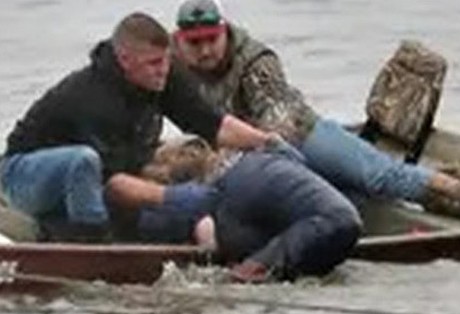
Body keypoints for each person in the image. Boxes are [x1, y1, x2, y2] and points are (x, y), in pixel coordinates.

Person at [170, 0, 460, 224]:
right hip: (253, 160)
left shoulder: (255, 61)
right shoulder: (170, 68)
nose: (205, 50)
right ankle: (440, 200)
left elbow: (278, 119)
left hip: (301, 135)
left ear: (224, 31)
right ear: (180, 40)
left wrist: (232, 155)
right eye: (195, 42)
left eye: (211, 40)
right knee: (357, 201)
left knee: (381, 176)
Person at [1, 12, 278, 242]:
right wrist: (172, 197)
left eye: (168, 60)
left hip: (97, 177)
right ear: (124, 60)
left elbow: (214, 125)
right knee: (83, 163)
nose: (164, 70)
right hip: (24, 176)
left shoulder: (163, 75)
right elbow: (112, 183)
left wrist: (267, 142)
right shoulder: (93, 98)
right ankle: (91, 245)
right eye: (154, 63)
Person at [136, 138, 363, 283]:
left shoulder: (221, 197)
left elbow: (217, 242)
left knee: (236, 276)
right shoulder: (258, 159)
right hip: (342, 221)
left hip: (324, 224)